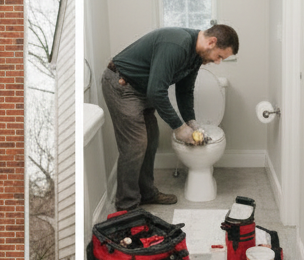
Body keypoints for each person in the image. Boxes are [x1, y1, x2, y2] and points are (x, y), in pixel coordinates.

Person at [100, 24, 239, 211]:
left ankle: (146, 193)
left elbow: (185, 90)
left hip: (142, 89)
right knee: (135, 144)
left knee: (151, 140)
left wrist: (191, 122)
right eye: (220, 56)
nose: (218, 62)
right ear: (211, 42)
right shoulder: (178, 45)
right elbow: (157, 91)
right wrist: (179, 128)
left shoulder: (196, 57)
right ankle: (127, 206)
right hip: (122, 84)